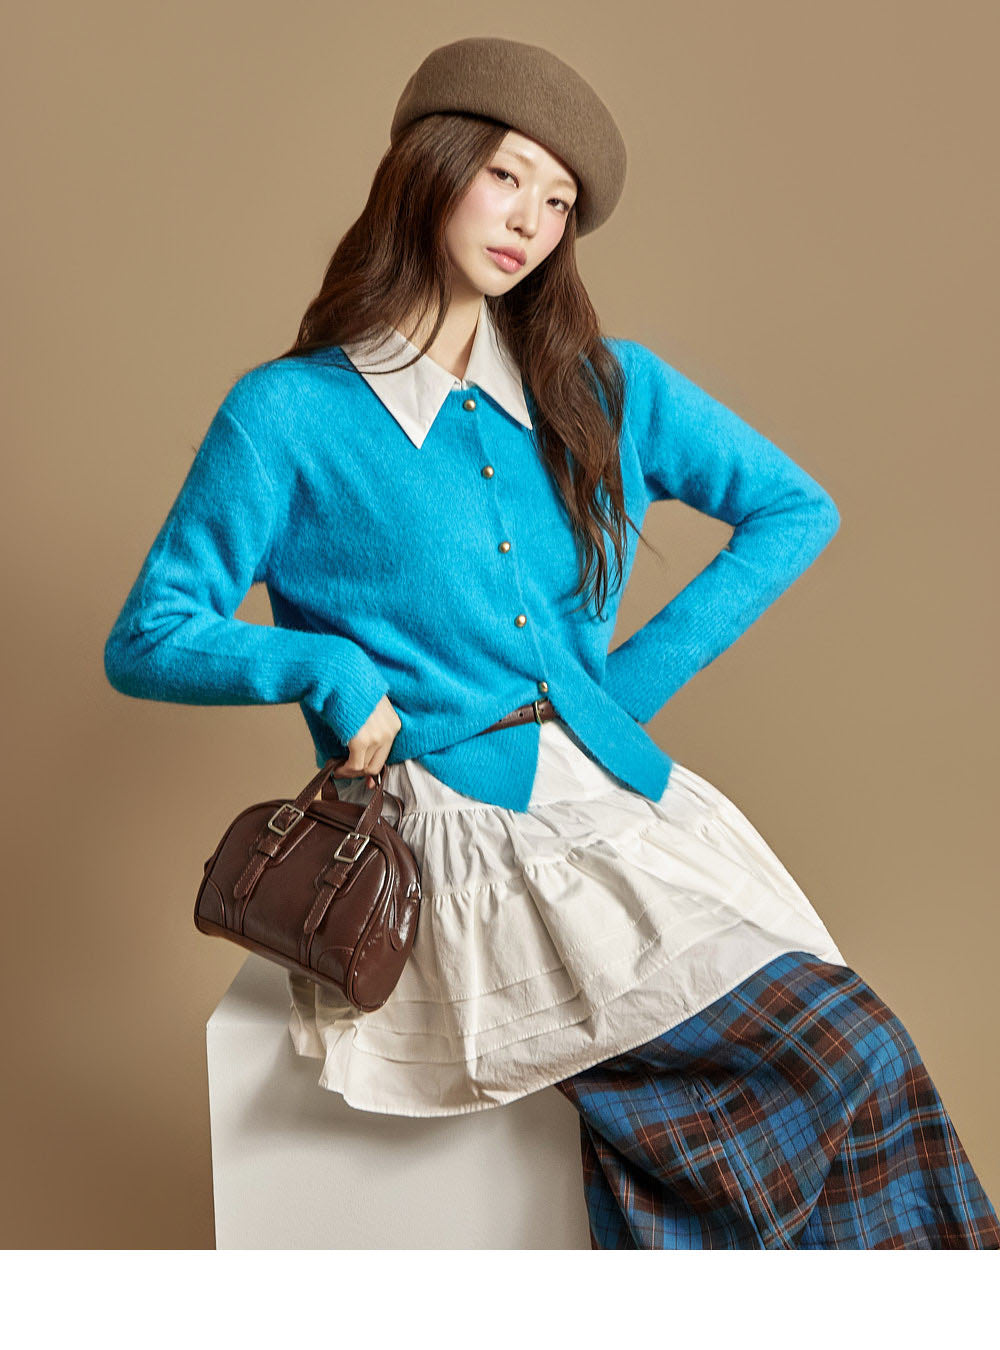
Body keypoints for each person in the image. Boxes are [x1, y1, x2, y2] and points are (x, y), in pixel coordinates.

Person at [103, 35, 1000, 1249]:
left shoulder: (604, 387)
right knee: (838, 1058)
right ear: (431, 169)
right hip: (457, 833)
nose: (531, 220)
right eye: (507, 176)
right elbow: (149, 633)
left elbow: (795, 508)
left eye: (560, 201)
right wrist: (322, 666)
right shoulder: (288, 415)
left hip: (622, 806)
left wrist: (612, 692)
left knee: (816, 1070)